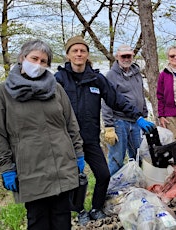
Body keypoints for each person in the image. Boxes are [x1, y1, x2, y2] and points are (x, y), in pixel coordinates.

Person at [54, 36, 155, 225]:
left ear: (87, 54)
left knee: (103, 174)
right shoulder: (59, 80)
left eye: (82, 50)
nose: (79, 54)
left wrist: (137, 117)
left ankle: (96, 208)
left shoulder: (96, 78)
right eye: (74, 51)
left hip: (90, 138)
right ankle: (80, 211)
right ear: (68, 55)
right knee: (72, 178)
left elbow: (116, 99)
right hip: (67, 140)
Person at [0, 39, 84, 229]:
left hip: (62, 166)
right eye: (34, 58)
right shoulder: (1, 93)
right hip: (31, 170)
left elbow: (71, 124)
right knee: (38, 221)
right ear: (22, 58)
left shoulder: (56, 89)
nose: (38, 64)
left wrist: (78, 154)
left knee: (62, 220)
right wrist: (6, 167)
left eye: (43, 61)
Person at [102, 44, 149, 175]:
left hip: (136, 121)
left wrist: (144, 115)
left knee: (139, 155)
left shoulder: (137, 73)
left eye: (129, 56)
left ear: (133, 56)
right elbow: (106, 101)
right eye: (123, 56)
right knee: (117, 158)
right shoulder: (111, 75)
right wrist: (109, 125)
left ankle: (137, 181)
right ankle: (113, 188)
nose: (126, 58)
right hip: (119, 121)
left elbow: (141, 95)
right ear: (117, 57)